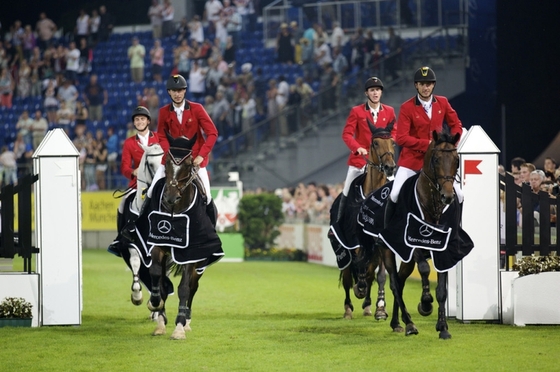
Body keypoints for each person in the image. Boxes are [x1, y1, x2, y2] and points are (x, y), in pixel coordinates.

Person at [121, 75, 219, 241]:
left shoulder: (197, 109)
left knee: (207, 197)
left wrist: (202, 155)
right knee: (151, 191)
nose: (177, 94)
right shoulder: (164, 112)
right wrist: (168, 155)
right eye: (174, 91)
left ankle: (211, 235)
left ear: (185, 91)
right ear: (169, 92)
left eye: (180, 90)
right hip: (171, 162)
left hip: (194, 162)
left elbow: (212, 133)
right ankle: (137, 227)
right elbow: (161, 137)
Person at [385, 66, 463, 225]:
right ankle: (387, 233)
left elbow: (457, 125)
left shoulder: (442, 102)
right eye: (422, 84)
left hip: (438, 163)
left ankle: (456, 231)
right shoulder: (407, 107)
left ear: (433, 85)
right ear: (416, 86)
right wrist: (426, 144)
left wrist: (450, 142)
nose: (426, 87)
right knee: (395, 193)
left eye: (429, 84)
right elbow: (401, 138)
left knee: (460, 195)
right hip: (412, 161)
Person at [336, 77, 397, 223]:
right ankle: (338, 224)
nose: (375, 93)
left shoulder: (389, 111)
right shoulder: (357, 111)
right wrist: (358, 148)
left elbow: (395, 132)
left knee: (395, 192)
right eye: (372, 90)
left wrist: (389, 142)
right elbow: (347, 134)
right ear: (367, 93)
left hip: (382, 160)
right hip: (360, 159)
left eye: (377, 90)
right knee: (346, 191)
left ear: (381, 92)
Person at [108, 106, 160, 252]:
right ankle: (119, 239)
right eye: (137, 120)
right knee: (123, 204)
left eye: (142, 119)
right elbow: (124, 167)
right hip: (138, 184)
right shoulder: (129, 143)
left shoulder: (158, 138)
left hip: (158, 182)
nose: (139, 122)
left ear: (148, 121)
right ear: (134, 123)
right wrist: (133, 172)